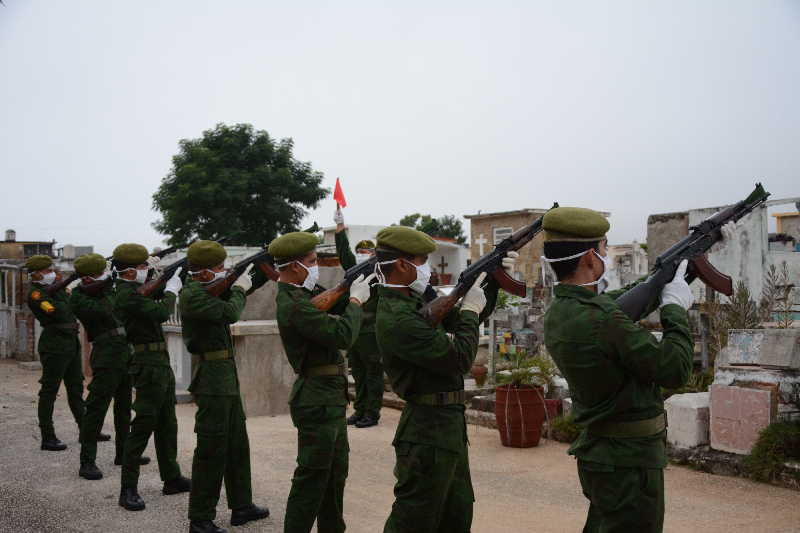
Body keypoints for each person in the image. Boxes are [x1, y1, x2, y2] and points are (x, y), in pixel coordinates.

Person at [541, 206, 698, 532]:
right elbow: (674, 369)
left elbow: (628, 298)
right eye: (603, 248)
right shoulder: (601, 318)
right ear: (589, 258)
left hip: (604, 456)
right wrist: (674, 309)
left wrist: (671, 274)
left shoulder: (562, 311)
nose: (605, 256)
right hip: (630, 462)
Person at [374, 226, 515, 533]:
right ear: (401, 265)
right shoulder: (397, 318)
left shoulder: (414, 301)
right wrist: (469, 309)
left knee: (456, 512)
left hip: (446, 425)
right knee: (415, 519)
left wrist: (490, 282)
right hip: (427, 431)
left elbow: (467, 316)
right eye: (422, 261)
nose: (426, 268)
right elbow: (460, 359)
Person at [270, 231, 373, 533]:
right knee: (312, 478)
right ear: (291, 267)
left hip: (329, 397)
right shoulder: (294, 304)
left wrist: (351, 288)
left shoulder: (305, 293)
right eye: (311, 262)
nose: (316, 267)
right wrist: (355, 299)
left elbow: (335, 306)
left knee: (334, 475)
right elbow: (343, 335)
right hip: (316, 399)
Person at [179, 240, 270, 533]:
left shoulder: (208, 288)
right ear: (205, 274)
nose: (223, 272)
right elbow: (231, 311)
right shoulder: (192, 295)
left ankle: (241, 506)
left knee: (236, 445)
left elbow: (235, 292)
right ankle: (200, 517)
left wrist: (261, 270)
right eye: (219, 268)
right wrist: (240, 287)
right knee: (212, 448)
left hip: (226, 377)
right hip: (212, 380)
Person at [113, 243, 191, 511]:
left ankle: (171, 477)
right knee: (144, 423)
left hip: (159, 361)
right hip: (147, 364)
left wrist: (163, 282)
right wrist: (170, 291)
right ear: (130, 271)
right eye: (144, 267)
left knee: (167, 422)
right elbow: (161, 313)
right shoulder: (126, 294)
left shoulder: (135, 290)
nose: (148, 271)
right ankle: (128, 488)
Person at [71, 253, 150, 480]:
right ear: (86, 278)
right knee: (96, 408)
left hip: (124, 349)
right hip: (106, 353)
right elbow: (106, 311)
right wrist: (107, 283)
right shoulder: (78, 297)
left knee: (124, 407)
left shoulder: (109, 288)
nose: (104, 276)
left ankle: (123, 453)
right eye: (99, 274)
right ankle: (87, 461)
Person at [24, 254, 88, 451]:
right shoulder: (36, 294)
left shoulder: (58, 290)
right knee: (49, 391)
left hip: (70, 341)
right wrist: (67, 281)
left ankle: (87, 430)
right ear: (35, 275)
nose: (51, 274)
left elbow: (73, 304)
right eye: (46, 271)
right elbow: (55, 311)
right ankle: (47, 436)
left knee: (76, 387)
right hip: (54, 344)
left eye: (52, 270)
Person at [333, 207, 383, 428]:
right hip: (356, 330)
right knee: (359, 374)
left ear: (374, 254)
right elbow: (345, 256)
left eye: (367, 252)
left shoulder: (381, 273)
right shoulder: (357, 272)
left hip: (372, 331)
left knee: (373, 374)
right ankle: (360, 409)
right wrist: (339, 229)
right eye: (360, 252)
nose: (363, 255)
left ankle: (372, 413)